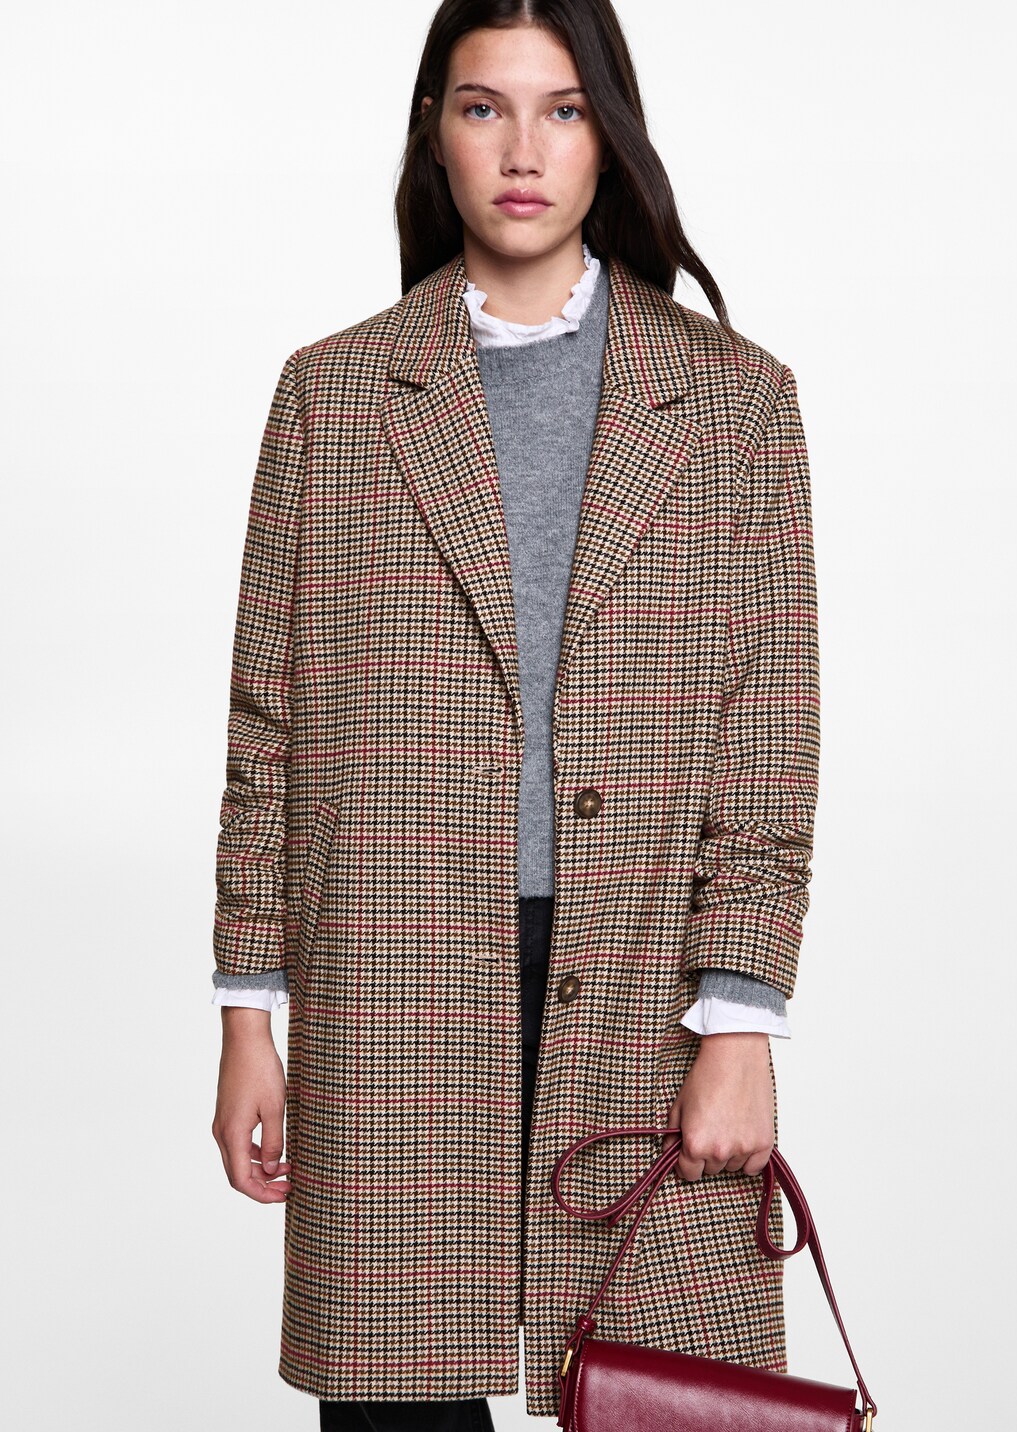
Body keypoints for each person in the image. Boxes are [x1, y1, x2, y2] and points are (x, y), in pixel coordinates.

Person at [210, 2, 818, 1427]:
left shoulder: (737, 403)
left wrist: (741, 1022)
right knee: (401, 1392)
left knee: (664, 1393)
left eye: (563, 110)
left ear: (611, 135)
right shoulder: (333, 397)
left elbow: (769, 734)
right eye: (485, 108)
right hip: (391, 978)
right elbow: (266, 726)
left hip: (643, 975)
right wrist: (249, 1011)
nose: (523, 152)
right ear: (436, 132)